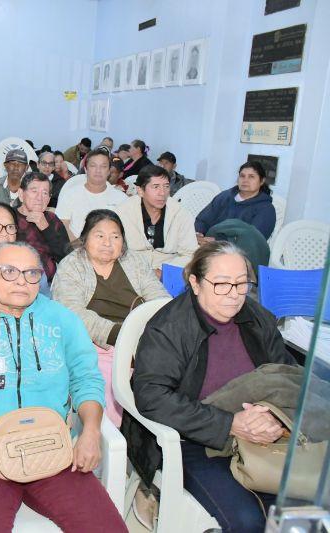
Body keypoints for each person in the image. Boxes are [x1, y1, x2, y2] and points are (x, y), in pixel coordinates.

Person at [0, 241, 127, 532]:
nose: (21, 281)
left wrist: (90, 430)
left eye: (31, 273)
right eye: (8, 272)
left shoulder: (62, 320)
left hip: (53, 448)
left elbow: (86, 379)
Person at [126, 241, 295, 533]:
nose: (234, 295)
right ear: (195, 282)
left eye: (242, 283)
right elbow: (152, 396)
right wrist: (230, 424)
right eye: (221, 284)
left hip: (261, 436)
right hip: (193, 441)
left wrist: (275, 417)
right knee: (248, 520)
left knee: (300, 507)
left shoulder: (256, 318)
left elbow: (287, 374)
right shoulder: (169, 327)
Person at [51, 210, 169, 425]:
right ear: (85, 238)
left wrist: (152, 332)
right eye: (100, 236)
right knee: (106, 381)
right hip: (96, 343)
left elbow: (159, 298)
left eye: (115, 236)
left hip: (142, 338)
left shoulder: (134, 261)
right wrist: (122, 335)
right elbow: (73, 315)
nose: (108, 243)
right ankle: (105, 438)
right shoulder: (72, 265)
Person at [115, 165, 198, 271]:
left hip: (168, 271)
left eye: (166, 186)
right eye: (155, 187)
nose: (162, 193)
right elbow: (113, 251)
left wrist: (163, 271)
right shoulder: (123, 212)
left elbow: (190, 253)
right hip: (132, 270)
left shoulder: (180, 214)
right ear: (140, 190)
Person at [55, 147, 128, 239]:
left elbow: (126, 231)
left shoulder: (121, 199)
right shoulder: (70, 194)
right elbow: (62, 225)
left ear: (109, 171)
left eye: (103, 166)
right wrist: (79, 247)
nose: (98, 170)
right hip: (75, 248)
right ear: (85, 169)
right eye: (93, 166)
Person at [195, 161, 276, 242]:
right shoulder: (225, 196)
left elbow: (253, 240)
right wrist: (199, 234)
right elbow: (202, 219)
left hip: (237, 252)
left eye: (251, 177)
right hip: (206, 245)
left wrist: (217, 241)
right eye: (242, 176)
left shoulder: (266, 209)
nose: (245, 180)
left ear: (262, 181)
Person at [16, 172, 70, 278]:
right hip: (15, 278)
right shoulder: (9, 217)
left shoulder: (52, 220)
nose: (39, 198)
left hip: (47, 283)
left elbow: (67, 258)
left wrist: (47, 229)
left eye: (45, 193)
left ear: (49, 199)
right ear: (21, 194)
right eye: (34, 191)